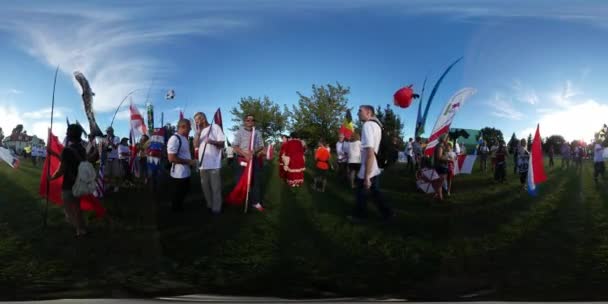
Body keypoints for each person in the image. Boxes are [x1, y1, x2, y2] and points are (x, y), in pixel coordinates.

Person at [348, 105, 393, 222]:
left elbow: (370, 151)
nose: (358, 113)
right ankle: (388, 213)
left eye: (360, 111)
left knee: (361, 194)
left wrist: (367, 176)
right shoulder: (377, 125)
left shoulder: (367, 125)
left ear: (368, 112)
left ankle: (360, 216)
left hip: (368, 167)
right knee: (375, 193)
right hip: (373, 166)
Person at [50, 124, 88, 237]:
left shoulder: (67, 150)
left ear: (70, 135)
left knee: (69, 210)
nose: (66, 133)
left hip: (68, 184)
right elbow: (69, 160)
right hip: (79, 182)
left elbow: (61, 170)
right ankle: (81, 228)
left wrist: (51, 178)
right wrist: (55, 154)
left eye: (67, 132)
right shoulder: (82, 149)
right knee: (77, 207)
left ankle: (78, 229)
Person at [193, 112, 226, 215]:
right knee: (205, 187)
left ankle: (217, 208)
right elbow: (195, 145)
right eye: (195, 121)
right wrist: (198, 134)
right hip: (202, 164)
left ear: (203, 119)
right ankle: (209, 205)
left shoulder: (215, 127)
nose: (196, 122)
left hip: (214, 163)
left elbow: (222, 143)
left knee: (215, 187)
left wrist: (212, 141)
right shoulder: (198, 131)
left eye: (197, 120)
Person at [232, 114, 265, 212]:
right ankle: (241, 199)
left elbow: (261, 145)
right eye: (248, 120)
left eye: (252, 120)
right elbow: (235, 146)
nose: (250, 121)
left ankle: (256, 202)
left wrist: (254, 151)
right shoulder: (240, 131)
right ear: (244, 121)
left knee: (255, 181)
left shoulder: (257, 132)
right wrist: (244, 154)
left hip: (253, 159)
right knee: (240, 180)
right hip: (242, 159)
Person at [167, 119, 197, 212]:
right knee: (178, 194)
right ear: (183, 127)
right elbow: (171, 158)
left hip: (185, 172)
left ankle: (179, 208)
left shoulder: (184, 138)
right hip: (178, 174)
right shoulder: (174, 139)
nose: (191, 129)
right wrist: (189, 162)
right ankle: (175, 212)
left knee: (185, 191)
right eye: (189, 127)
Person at [103, 127, 122, 193]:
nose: (107, 133)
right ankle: (108, 185)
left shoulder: (117, 138)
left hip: (115, 158)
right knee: (107, 173)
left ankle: (116, 186)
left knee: (116, 174)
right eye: (107, 132)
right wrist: (106, 145)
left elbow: (115, 147)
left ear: (112, 131)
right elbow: (106, 149)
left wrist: (109, 141)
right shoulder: (106, 139)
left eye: (108, 131)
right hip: (108, 158)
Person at [433, 135, 450, 200]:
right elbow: (439, 157)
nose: (448, 141)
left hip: (441, 166)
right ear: (444, 139)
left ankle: (439, 196)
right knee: (439, 183)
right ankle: (439, 197)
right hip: (441, 167)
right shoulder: (440, 146)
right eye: (447, 139)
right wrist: (448, 159)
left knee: (439, 183)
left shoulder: (441, 146)